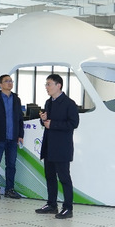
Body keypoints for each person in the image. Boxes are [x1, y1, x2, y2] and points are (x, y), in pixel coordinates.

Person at [36, 74, 79, 219]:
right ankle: (52, 204)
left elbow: (73, 123)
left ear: (58, 85)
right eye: (46, 84)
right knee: (50, 177)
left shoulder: (69, 103)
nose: (46, 87)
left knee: (64, 178)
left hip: (61, 147)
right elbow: (47, 122)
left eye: (49, 84)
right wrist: (43, 120)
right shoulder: (48, 102)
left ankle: (68, 208)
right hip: (49, 146)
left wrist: (53, 124)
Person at [0, 74, 24, 200]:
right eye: (6, 81)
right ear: (0, 84)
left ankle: (10, 189)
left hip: (12, 138)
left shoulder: (16, 99)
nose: (9, 83)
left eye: (11, 81)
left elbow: (20, 118)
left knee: (11, 165)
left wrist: (20, 135)